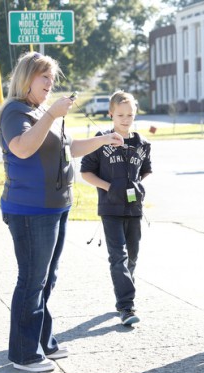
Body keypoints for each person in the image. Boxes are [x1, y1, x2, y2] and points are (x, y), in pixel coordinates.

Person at [0, 51, 124, 373]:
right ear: (27, 78)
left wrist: (104, 139)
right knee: (32, 280)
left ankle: (42, 341)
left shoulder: (40, 111)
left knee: (46, 278)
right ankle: (24, 353)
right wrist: (51, 116)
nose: (50, 84)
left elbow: (70, 148)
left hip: (55, 207)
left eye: (52, 79)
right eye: (45, 78)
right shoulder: (16, 111)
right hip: (31, 210)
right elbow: (22, 148)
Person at [81, 91, 152, 326]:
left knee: (133, 255)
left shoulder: (141, 144)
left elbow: (147, 170)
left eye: (130, 114)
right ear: (111, 113)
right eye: (120, 114)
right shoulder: (100, 141)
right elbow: (86, 172)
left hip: (134, 209)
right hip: (110, 208)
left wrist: (140, 186)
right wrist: (109, 187)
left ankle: (124, 295)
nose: (125, 118)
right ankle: (126, 306)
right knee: (118, 256)